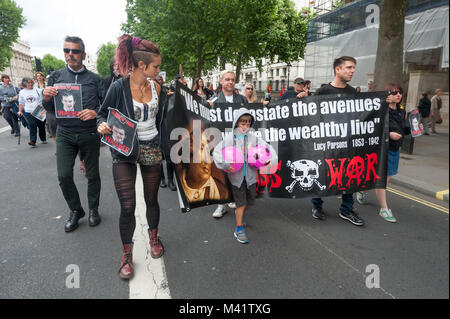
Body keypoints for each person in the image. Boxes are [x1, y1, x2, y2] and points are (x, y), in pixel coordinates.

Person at [97, 34, 168, 279]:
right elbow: (102, 113)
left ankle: (154, 237)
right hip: (125, 150)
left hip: (151, 147)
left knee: (152, 199)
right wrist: (101, 125)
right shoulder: (118, 87)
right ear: (141, 65)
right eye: (156, 66)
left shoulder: (158, 86)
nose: (159, 70)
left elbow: (169, 114)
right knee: (127, 206)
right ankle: (127, 253)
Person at [42, 36, 106, 233]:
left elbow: (107, 106)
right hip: (65, 133)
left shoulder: (96, 80)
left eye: (75, 51)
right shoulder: (55, 77)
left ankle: (94, 209)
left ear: (83, 55)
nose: (70, 54)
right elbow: (49, 108)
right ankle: (76, 210)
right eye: (66, 51)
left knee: (93, 175)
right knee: (63, 175)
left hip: (89, 133)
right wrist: (45, 97)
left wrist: (96, 113)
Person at [312, 56, 364, 226]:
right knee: (322, 175)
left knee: (349, 175)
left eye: (353, 68)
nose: (352, 71)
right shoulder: (323, 92)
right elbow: (312, 118)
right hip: (326, 144)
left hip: (346, 145)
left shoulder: (352, 93)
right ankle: (317, 206)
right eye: (349, 67)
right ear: (338, 69)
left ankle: (347, 209)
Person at [213, 108, 277, 243]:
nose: (245, 126)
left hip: (251, 177)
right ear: (237, 123)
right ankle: (239, 229)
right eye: (242, 123)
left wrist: (271, 159)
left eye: (248, 123)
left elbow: (267, 147)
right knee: (241, 203)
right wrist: (225, 164)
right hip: (236, 178)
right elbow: (217, 152)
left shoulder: (253, 138)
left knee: (251, 201)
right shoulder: (230, 138)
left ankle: (238, 213)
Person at [371, 84, 420, 222]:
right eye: (394, 92)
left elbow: (403, 129)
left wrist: (414, 129)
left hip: (394, 149)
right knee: (383, 179)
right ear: (387, 94)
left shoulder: (400, 110)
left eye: (400, 92)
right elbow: (372, 128)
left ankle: (361, 191)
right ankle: (384, 209)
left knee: (384, 176)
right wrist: (389, 133)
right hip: (382, 148)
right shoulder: (381, 109)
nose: (398, 95)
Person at [208, 70, 247, 218]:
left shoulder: (242, 100)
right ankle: (221, 204)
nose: (230, 82)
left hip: (238, 143)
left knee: (237, 174)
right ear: (221, 82)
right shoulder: (214, 101)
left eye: (232, 80)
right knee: (222, 173)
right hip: (221, 143)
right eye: (227, 79)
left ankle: (233, 200)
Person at [176, 129, 229, 202]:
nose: (208, 160)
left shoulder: (221, 191)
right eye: (201, 148)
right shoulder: (180, 184)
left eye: (208, 151)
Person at [17, 77, 47, 147]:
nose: (30, 84)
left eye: (31, 82)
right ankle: (33, 141)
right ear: (24, 83)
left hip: (39, 109)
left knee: (41, 125)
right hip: (28, 111)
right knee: (32, 125)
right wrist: (20, 111)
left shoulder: (38, 90)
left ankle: (43, 138)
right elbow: (21, 102)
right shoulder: (22, 92)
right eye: (28, 82)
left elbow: (44, 97)